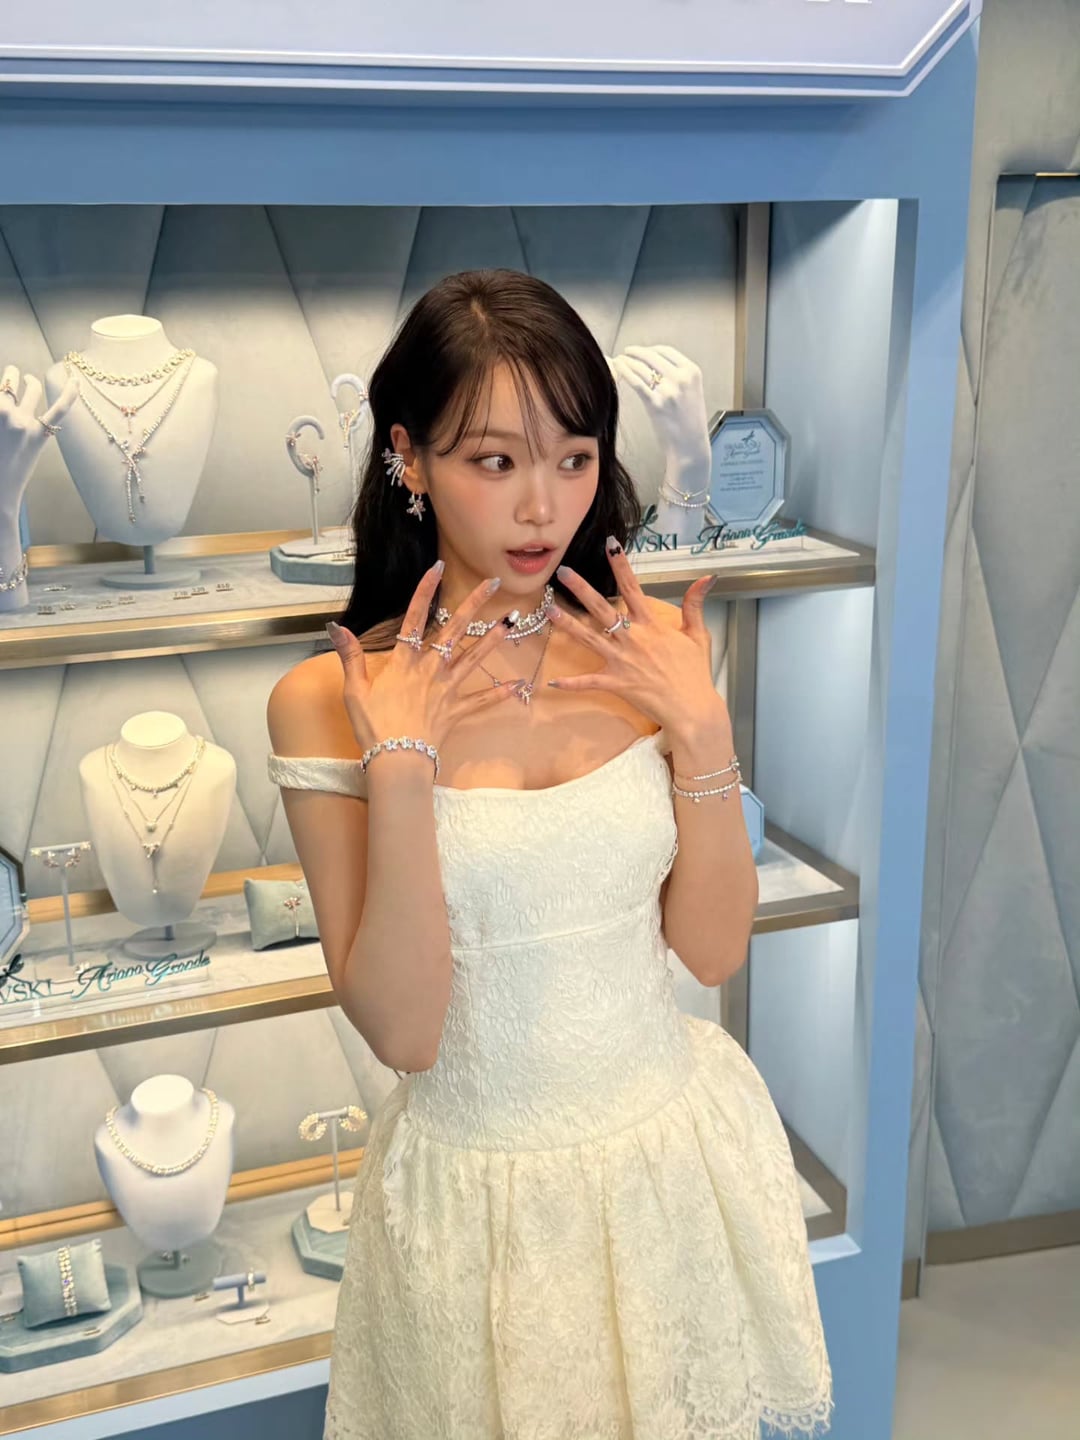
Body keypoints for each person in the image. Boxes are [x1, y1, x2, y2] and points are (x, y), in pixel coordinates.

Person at [267, 269, 833, 1439]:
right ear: (409, 458)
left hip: (664, 1168)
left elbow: (712, 950)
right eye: (496, 462)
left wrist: (702, 730)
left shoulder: (649, 651)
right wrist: (404, 767)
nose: (544, 507)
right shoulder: (327, 702)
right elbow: (405, 1032)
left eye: (576, 459)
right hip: (474, 1209)